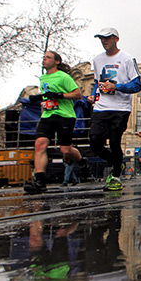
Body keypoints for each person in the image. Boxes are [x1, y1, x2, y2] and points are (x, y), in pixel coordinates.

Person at [25, 51, 89, 194]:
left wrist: (60, 95)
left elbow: (77, 94)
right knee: (39, 144)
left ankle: (81, 161)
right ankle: (40, 181)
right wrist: (39, 98)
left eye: (48, 57)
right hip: (48, 114)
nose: (44, 59)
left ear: (56, 61)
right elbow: (47, 95)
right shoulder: (43, 78)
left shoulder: (63, 77)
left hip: (65, 115)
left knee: (65, 149)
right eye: (44, 57)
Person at [88, 28, 141, 191]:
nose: (104, 41)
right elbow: (98, 82)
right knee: (94, 140)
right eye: (101, 39)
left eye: (107, 38)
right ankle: (116, 163)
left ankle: (116, 177)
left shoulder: (127, 59)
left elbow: (137, 85)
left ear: (116, 39)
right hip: (101, 107)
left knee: (114, 142)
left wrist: (116, 86)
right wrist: (92, 95)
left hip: (120, 108)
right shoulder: (97, 60)